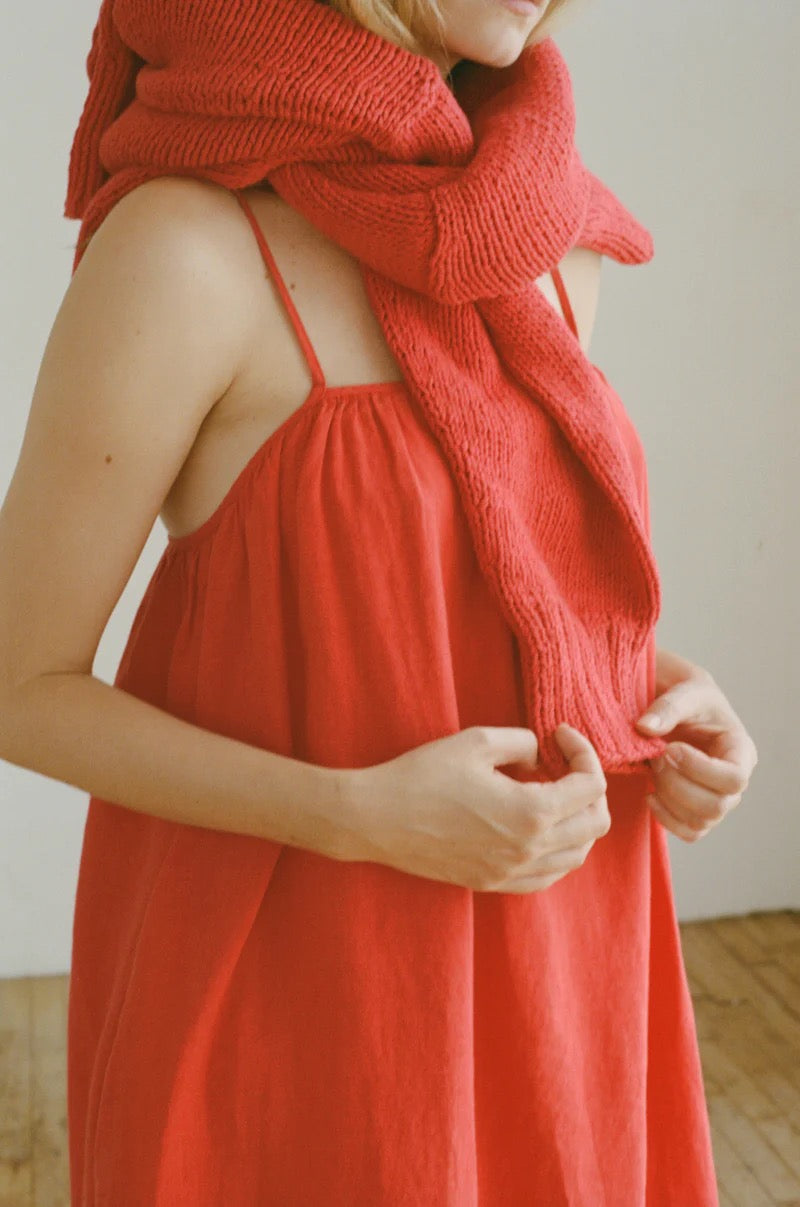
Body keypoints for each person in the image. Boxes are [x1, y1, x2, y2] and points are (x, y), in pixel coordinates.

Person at [0, 0, 758, 1202]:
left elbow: (480, 582)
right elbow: (18, 685)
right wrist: (355, 814)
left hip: (561, 954)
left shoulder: (548, 236)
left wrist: (657, 689)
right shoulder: (185, 253)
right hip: (299, 982)